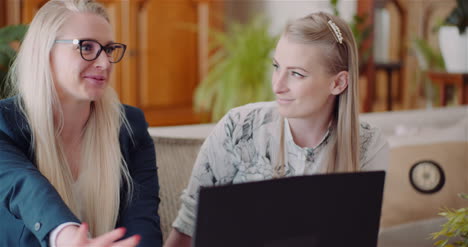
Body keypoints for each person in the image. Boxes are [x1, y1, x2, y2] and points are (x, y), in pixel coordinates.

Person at [164, 11, 389, 246]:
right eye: (276, 66)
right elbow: (187, 228)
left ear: (338, 83)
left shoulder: (368, 145)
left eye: (296, 74)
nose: (277, 85)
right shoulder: (239, 127)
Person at [0, 0, 162, 246]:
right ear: (45, 51)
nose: (104, 63)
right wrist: (66, 236)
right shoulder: (4, 123)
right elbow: (24, 187)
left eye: (108, 49)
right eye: (86, 47)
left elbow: (143, 223)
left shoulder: (129, 125)